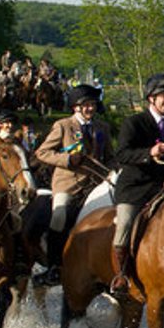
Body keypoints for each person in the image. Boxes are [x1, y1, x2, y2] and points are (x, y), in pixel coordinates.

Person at [110, 74, 164, 302]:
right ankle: (121, 275)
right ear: (151, 99)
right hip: (135, 188)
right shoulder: (134, 123)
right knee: (125, 223)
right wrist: (150, 153)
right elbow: (122, 155)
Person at [35, 84, 110, 285]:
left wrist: (113, 171)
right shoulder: (63, 126)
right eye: (86, 105)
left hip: (96, 184)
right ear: (76, 107)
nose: (90, 109)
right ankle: (53, 267)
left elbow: (110, 157)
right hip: (68, 184)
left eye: (93, 105)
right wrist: (67, 159)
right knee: (59, 216)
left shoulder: (102, 127)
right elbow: (42, 153)